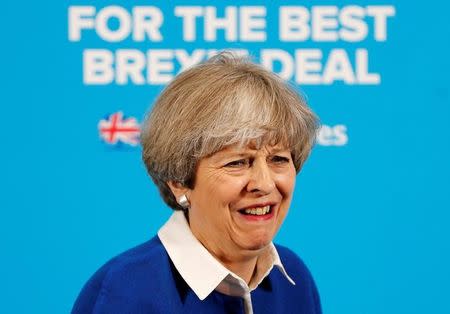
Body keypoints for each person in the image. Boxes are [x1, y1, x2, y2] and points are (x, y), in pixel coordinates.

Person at [72, 52, 321, 314]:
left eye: (278, 159)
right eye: (237, 162)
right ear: (179, 181)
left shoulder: (293, 279)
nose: (264, 183)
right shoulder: (125, 292)